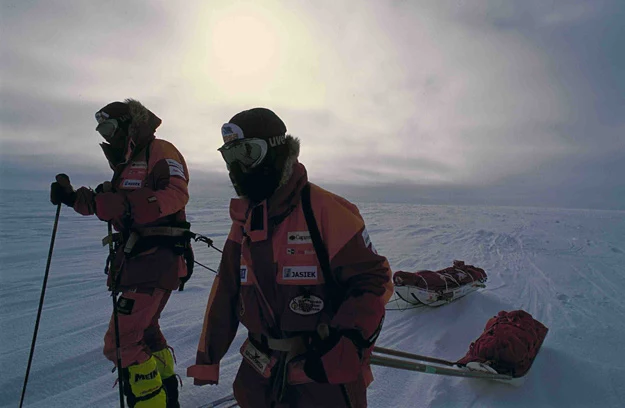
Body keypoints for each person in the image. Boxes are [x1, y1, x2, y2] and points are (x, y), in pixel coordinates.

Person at [187, 108, 394, 407]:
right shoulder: (244, 221)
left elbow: (373, 280)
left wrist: (349, 340)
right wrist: (208, 357)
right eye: (229, 156)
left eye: (247, 153)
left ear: (276, 150)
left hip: (319, 374)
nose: (238, 167)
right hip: (259, 376)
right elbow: (226, 290)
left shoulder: (325, 210)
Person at [50, 99, 191, 408]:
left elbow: (176, 193)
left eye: (111, 127)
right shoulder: (126, 164)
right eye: (102, 129)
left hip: (157, 259)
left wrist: (130, 205)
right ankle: (167, 400)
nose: (106, 135)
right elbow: (108, 204)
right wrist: (73, 197)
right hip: (137, 260)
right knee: (145, 332)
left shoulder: (160, 151)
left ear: (129, 125)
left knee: (120, 342)